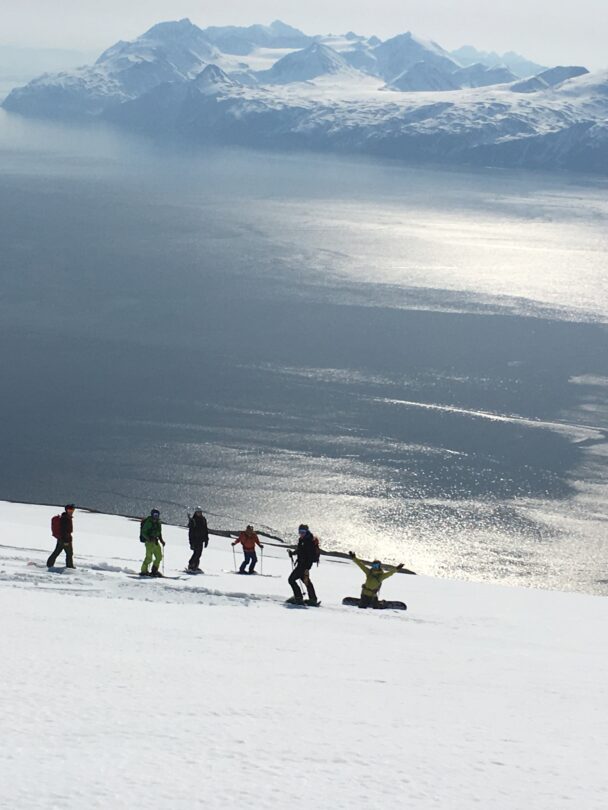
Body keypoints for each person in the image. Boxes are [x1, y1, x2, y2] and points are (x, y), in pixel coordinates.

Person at [287, 524, 319, 605]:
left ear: (307, 531)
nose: (301, 533)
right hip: (302, 565)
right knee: (306, 581)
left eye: (303, 532)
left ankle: (298, 598)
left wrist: (307, 568)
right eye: (300, 532)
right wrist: (293, 553)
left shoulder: (308, 541)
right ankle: (313, 599)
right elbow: (300, 550)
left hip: (303, 566)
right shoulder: (303, 539)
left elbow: (310, 556)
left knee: (291, 580)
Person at [47, 504, 76, 568]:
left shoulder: (66, 517)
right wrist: (66, 540)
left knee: (56, 552)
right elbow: (64, 530)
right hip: (65, 539)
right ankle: (69, 566)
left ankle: (49, 564)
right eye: (69, 510)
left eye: (72, 510)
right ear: (66, 510)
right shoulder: (65, 518)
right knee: (69, 553)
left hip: (61, 539)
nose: (71, 511)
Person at [140, 509, 165, 577]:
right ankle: (143, 571)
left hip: (156, 542)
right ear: (152, 515)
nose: (156, 516)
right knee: (149, 558)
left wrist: (161, 540)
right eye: (155, 515)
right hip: (149, 543)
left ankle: (154, 571)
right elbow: (143, 532)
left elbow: (159, 533)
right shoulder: (149, 522)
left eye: (157, 515)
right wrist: (149, 538)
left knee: (159, 557)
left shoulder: (158, 522)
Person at [187, 508, 209, 572]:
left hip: (201, 540)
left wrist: (206, 539)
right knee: (196, 553)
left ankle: (195, 565)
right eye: (198, 512)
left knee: (199, 553)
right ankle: (191, 565)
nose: (199, 513)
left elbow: (205, 530)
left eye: (200, 512)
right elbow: (190, 532)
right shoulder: (193, 520)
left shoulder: (203, 520)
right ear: (195, 513)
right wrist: (191, 543)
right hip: (195, 540)